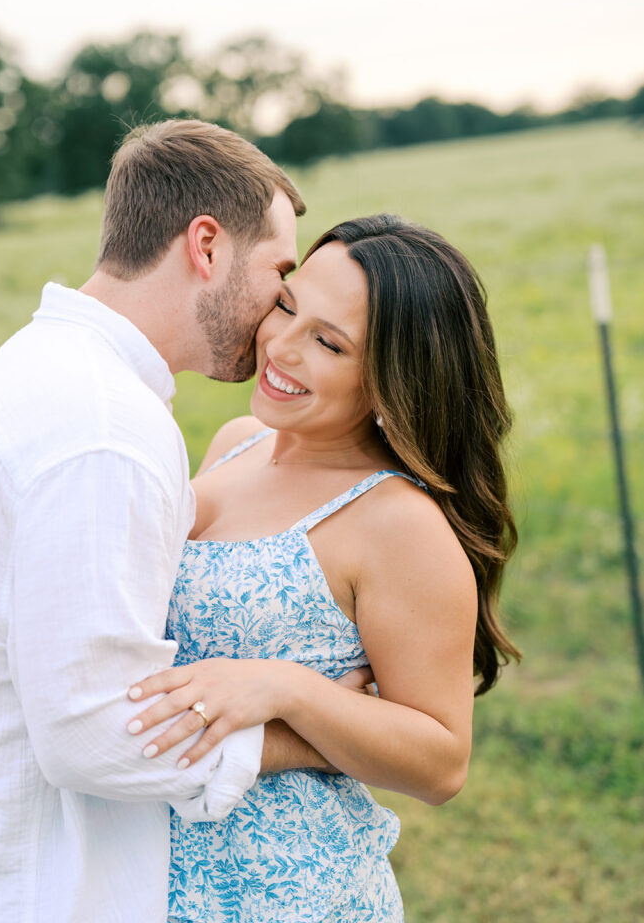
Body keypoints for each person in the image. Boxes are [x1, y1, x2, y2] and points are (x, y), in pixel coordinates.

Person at [0, 118, 326, 923]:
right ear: (207, 246)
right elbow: (94, 734)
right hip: (14, 890)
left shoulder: (54, 373)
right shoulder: (102, 429)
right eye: (278, 274)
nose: (278, 314)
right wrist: (310, 734)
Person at [125, 214, 521, 922]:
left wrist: (288, 689)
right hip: (142, 870)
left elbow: (440, 761)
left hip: (284, 892)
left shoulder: (396, 522)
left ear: (391, 380)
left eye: (328, 343)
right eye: (286, 305)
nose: (280, 346)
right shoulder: (238, 441)